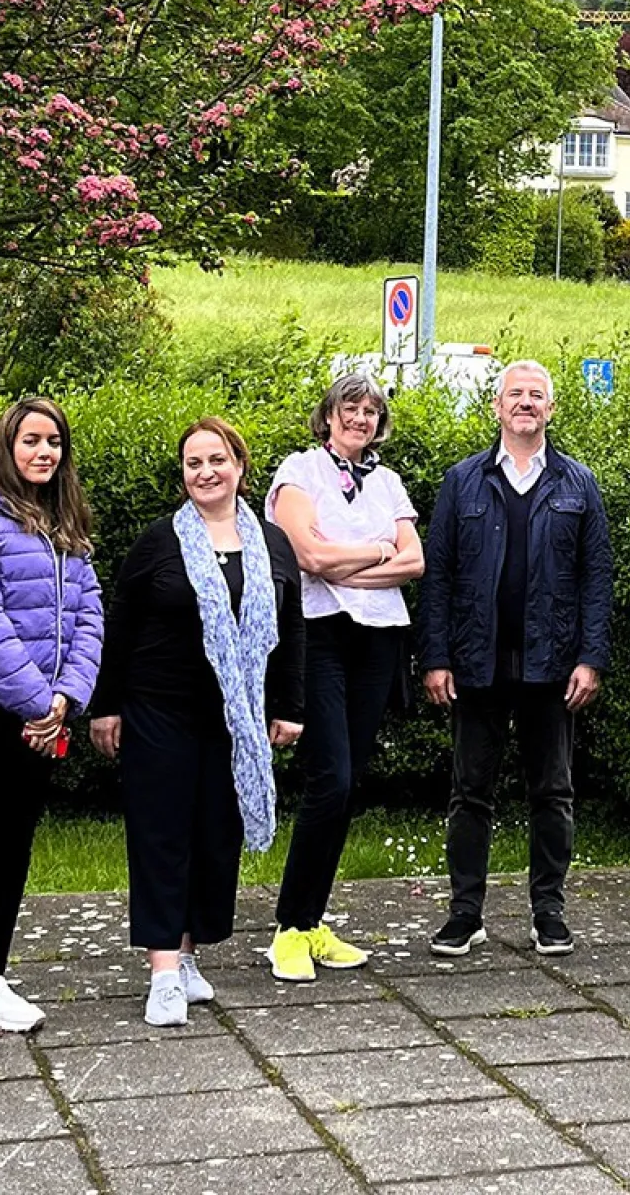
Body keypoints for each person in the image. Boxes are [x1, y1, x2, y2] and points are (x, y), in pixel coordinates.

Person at [90, 417, 306, 1026]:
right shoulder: (158, 543)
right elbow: (119, 626)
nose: (205, 472)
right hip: (159, 710)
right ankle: (161, 974)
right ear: (183, 475)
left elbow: (290, 631)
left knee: (214, 837)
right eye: (193, 464)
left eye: (217, 459)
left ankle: (186, 957)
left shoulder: (273, 543)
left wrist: (290, 707)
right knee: (162, 835)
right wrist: (106, 706)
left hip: (233, 722)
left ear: (239, 465)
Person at [420, 359, 613, 958]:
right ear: (497, 407)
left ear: (550, 409)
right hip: (476, 663)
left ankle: (548, 911)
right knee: (469, 791)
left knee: (552, 791)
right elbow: (440, 575)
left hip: (551, 666)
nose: (525, 403)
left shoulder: (579, 484)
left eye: (537, 395)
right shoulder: (463, 481)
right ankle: (465, 913)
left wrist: (591, 658)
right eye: (515, 394)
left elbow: (597, 578)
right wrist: (435, 656)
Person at [264, 375, 424, 982]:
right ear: (328, 414)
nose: (360, 418)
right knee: (328, 778)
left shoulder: (386, 482)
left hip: (379, 636)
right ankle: (287, 929)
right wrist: (378, 551)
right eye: (349, 408)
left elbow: (417, 560)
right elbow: (308, 556)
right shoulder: (299, 471)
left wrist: (355, 559)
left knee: (350, 780)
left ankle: (311, 922)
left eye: (370, 411)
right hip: (320, 631)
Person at [0, 399, 103, 1040]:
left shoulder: (65, 524)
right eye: (31, 440)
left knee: (13, 846)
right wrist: (33, 701)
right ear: (7, 445)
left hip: (43, 714)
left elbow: (89, 616)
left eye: (54, 442)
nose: (44, 452)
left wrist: (65, 697)